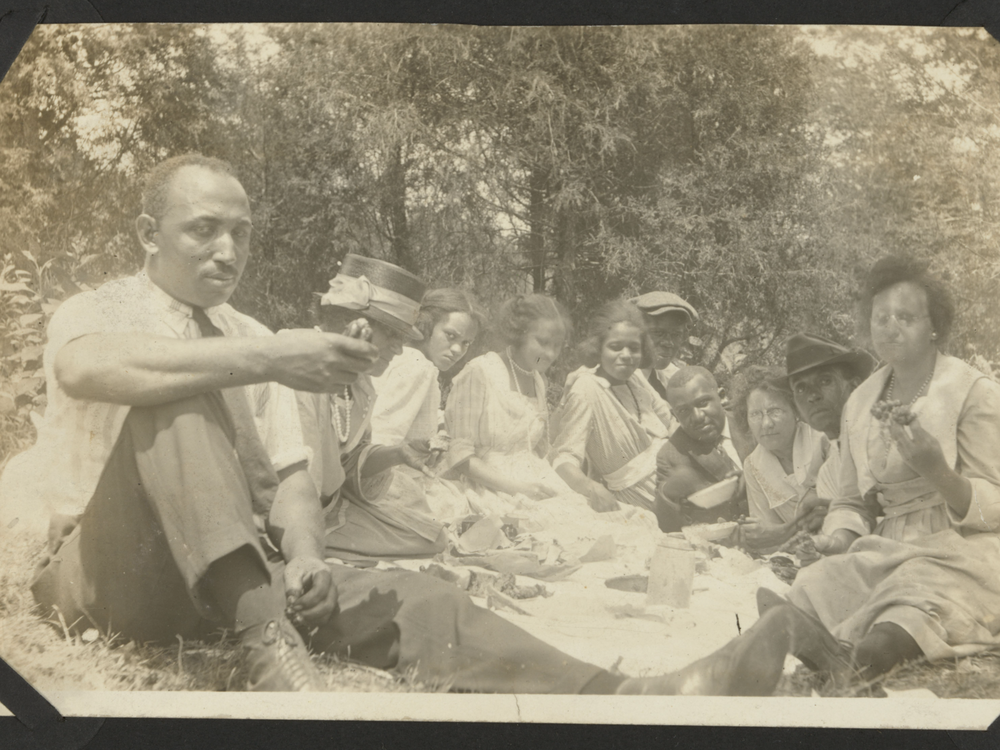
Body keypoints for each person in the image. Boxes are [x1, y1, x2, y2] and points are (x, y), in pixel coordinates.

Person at [764, 256, 1000, 683]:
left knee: (913, 592)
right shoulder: (861, 402)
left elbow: (994, 508)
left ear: (935, 326)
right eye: (880, 317)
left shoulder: (974, 393)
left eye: (906, 317)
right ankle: (839, 651)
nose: (890, 327)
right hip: (889, 546)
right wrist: (838, 536)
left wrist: (936, 470)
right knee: (816, 583)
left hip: (967, 546)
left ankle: (860, 661)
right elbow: (852, 500)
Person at [294, 255, 450, 564]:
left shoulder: (360, 386)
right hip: (289, 510)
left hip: (328, 508)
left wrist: (398, 453)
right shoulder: (298, 364)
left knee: (431, 536)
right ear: (349, 322)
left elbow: (349, 464)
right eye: (391, 334)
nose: (398, 348)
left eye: (402, 338)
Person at [369, 287, 484, 522]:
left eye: (466, 343)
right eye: (450, 336)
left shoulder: (402, 358)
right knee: (474, 513)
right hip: (391, 486)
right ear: (427, 326)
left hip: (387, 475)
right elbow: (384, 435)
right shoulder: (418, 367)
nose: (457, 350)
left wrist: (440, 426)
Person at [550, 300, 675, 513]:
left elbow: (671, 424)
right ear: (598, 349)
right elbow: (563, 458)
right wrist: (591, 487)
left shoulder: (636, 379)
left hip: (674, 483)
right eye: (615, 347)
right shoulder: (586, 388)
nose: (626, 355)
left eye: (634, 348)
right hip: (639, 499)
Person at [732, 366, 829, 551]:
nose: (766, 424)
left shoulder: (822, 440)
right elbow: (766, 538)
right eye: (755, 414)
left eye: (775, 411)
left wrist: (781, 533)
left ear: (795, 410)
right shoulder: (753, 466)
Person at [784, 332, 875, 511]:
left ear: (855, 387)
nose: (812, 396)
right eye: (800, 388)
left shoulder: (881, 441)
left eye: (825, 380)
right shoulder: (828, 473)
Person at [654, 366, 749, 532]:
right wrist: (669, 493)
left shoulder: (750, 423)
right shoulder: (670, 454)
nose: (697, 417)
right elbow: (667, 526)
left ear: (721, 396)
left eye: (703, 403)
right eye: (683, 411)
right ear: (675, 415)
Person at [630, 291, 698, 401]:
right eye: (658, 333)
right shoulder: (618, 380)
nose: (668, 343)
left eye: (676, 335)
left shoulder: (666, 379)